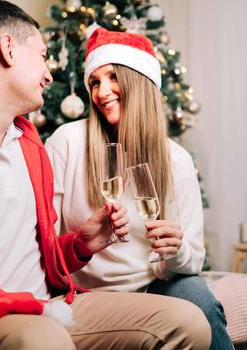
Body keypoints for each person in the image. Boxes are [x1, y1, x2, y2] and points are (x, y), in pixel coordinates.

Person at [0, 1, 212, 350]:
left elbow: (39, 257)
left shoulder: (29, 143)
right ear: (7, 50)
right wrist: (33, 307)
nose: (49, 74)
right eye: (43, 55)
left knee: (189, 323)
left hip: (51, 303)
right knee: (44, 340)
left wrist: (80, 245)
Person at [45, 28, 234, 350]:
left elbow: (192, 263)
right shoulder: (67, 142)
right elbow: (43, 235)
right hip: (86, 294)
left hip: (153, 286)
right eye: (94, 82)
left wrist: (176, 251)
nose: (102, 92)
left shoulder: (175, 159)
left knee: (201, 301)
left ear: (139, 81)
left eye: (112, 77)